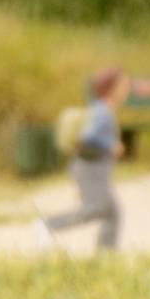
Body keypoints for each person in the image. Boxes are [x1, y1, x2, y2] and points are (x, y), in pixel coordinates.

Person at [38, 66, 126, 252]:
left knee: (112, 213)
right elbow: (88, 136)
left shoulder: (101, 109)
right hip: (90, 169)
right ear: (112, 88)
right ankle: (48, 225)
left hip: (94, 168)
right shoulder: (102, 111)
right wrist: (110, 145)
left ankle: (106, 255)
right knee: (94, 209)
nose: (126, 89)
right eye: (123, 85)